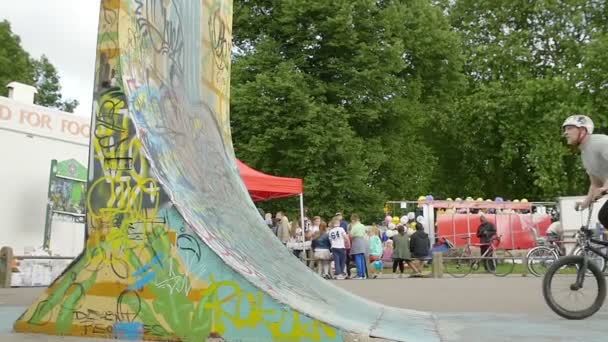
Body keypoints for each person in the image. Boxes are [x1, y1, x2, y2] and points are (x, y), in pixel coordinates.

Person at [562, 115, 608, 228]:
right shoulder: (585, 154)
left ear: (583, 130)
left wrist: (605, 188)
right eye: (565, 129)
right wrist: (585, 203)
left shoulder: (601, 142)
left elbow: (602, 187)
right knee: (605, 217)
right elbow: (595, 184)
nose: (565, 133)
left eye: (569, 128)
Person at [349, 214, 367, 279]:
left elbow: (351, 235)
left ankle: (359, 275)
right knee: (362, 258)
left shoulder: (354, 226)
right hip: (362, 241)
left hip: (356, 241)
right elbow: (365, 233)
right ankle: (363, 274)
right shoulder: (363, 226)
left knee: (358, 259)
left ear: (353, 220)